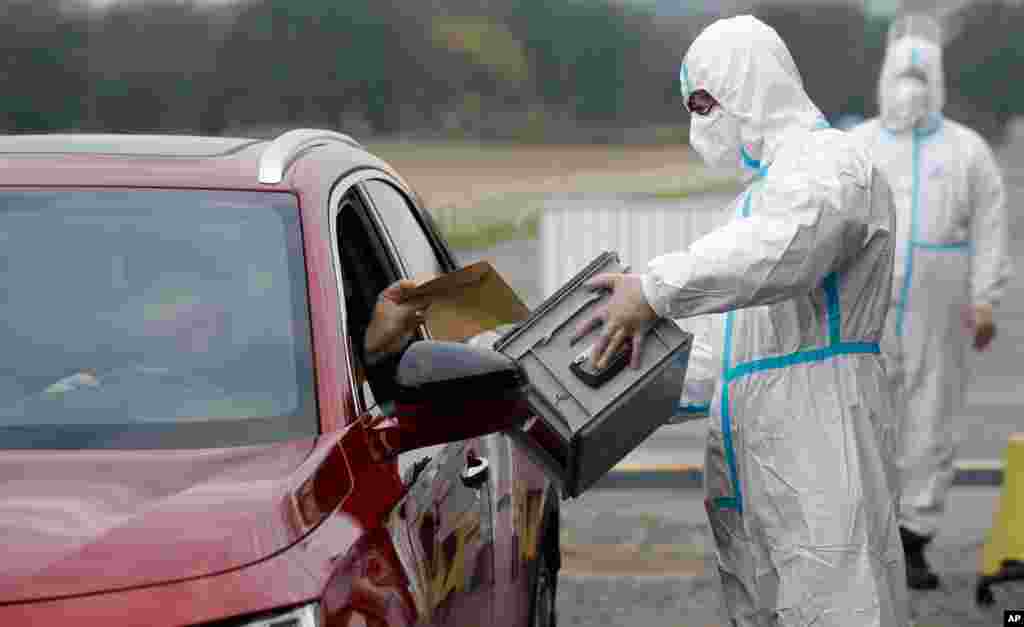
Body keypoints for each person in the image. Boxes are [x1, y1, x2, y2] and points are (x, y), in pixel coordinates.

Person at [573, 15, 910, 625]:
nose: (699, 124)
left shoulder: (831, 165)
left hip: (820, 431)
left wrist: (654, 289)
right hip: (757, 442)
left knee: (841, 601)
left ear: (750, 86)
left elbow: (792, 248)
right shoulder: (760, 196)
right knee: (767, 606)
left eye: (705, 104)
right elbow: (729, 353)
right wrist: (614, 382)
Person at [850, 14, 1013, 590]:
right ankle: (865, 537)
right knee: (866, 411)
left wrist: (985, 297)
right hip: (866, 297)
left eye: (921, 75)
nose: (910, 86)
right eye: (902, 74)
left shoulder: (966, 150)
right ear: (883, 76)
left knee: (932, 414)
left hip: (940, 300)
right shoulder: (857, 146)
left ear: (938, 81)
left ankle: (914, 536)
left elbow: (992, 227)